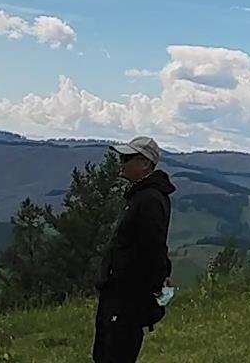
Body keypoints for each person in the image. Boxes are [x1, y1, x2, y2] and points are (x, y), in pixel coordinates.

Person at [93, 136, 175, 363]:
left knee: (115, 354)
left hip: (127, 295)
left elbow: (153, 248)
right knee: (105, 352)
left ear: (145, 164)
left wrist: (153, 292)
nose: (121, 162)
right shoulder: (140, 195)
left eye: (127, 158)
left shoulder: (148, 200)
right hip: (118, 292)